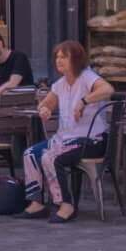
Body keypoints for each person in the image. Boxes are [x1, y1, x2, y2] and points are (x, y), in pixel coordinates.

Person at [22, 40, 114, 223]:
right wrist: (44, 110)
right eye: (57, 57)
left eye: (64, 57)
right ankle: (36, 203)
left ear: (76, 59)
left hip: (91, 140)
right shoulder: (60, 84)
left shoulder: (87, 77)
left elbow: (108, 89)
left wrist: (84, 101)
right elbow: (46, 103)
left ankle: (65, 204)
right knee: (30, 154)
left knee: (51, 157)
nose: (59, 60)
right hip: (65, 139)